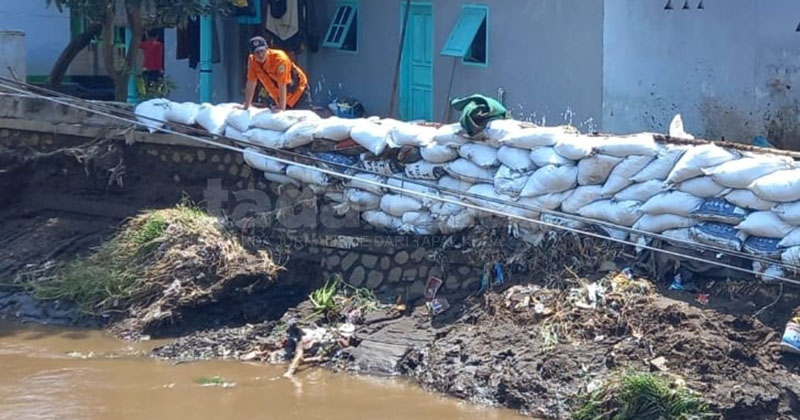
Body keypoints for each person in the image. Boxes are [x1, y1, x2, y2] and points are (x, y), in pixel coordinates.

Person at [241, 36, 309, 111]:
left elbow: (282, 84)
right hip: (279, 96)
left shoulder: (280, 59)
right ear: (252, 54)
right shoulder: (252, 61)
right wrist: (246, 106)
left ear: (267, 49)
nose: (260, 55)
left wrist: (282, 108)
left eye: (262, 51)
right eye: (257, 53)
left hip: (298, 91)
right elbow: (251, 82)